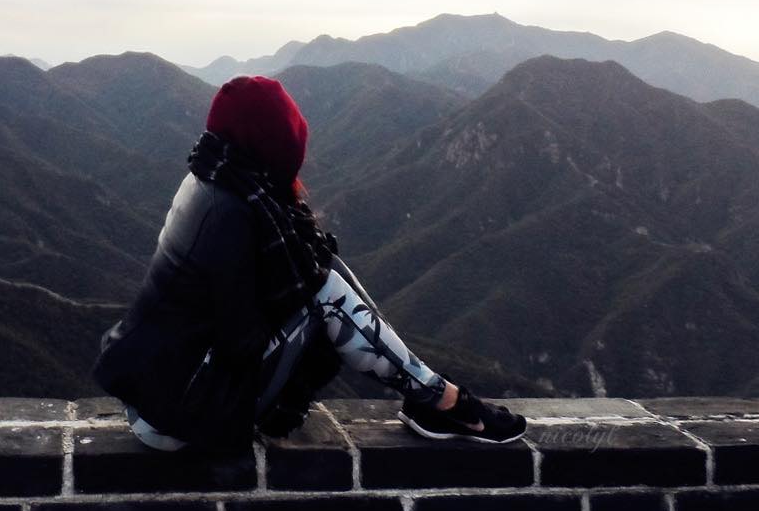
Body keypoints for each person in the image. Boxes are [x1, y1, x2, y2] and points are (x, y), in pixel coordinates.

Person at [93, 74, 527, 452]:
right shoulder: (236, 212)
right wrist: (302, 312)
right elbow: (239, 342)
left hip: (156, 399)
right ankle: (443, 401)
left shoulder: (210, 180)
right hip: (184, 415)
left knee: (321, 272)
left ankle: (432, 395)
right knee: (326, 290)